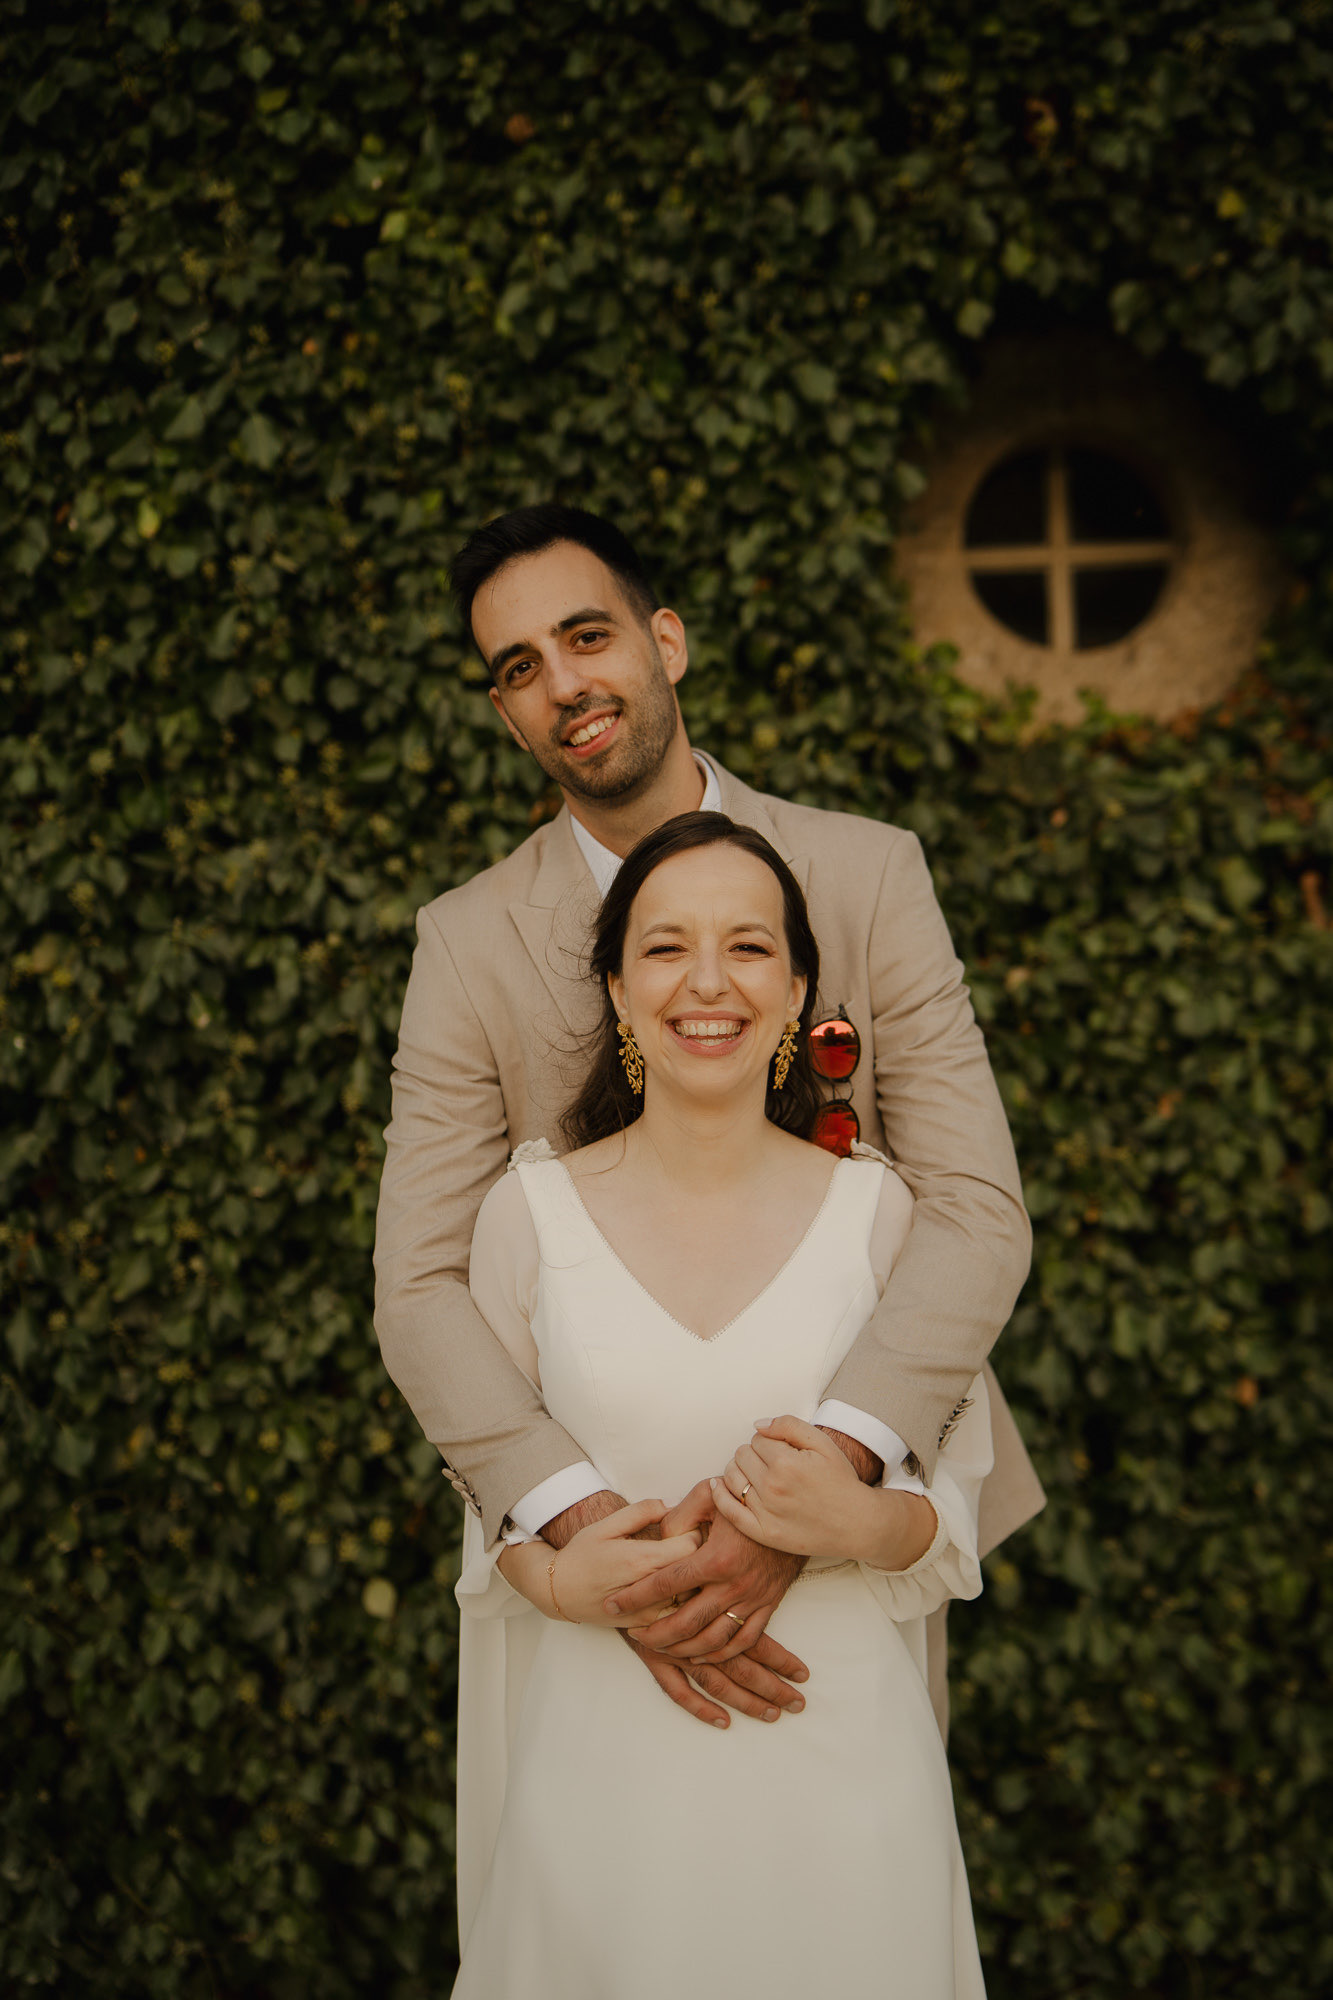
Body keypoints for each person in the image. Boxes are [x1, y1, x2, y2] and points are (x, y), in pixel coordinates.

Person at [374, 503, 1044, 1738]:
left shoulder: (867, 874)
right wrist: (587, 1531)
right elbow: (417, 1283)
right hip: (596, 1563)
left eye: (587, 635)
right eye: (519, 667)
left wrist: (817, 1485)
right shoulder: (465, 942)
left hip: (855, 1521)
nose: (563, 683)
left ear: (666, 641)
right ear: (505, 712)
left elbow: (975, 1208)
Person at [451, 813, 991, 1996]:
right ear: (616, 986)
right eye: (664, 947)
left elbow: (946, 1514)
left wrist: (858, 1519)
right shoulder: (523, 1217)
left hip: (845, 1782)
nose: (707, 981)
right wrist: (565, 1582)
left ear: (796, 991)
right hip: (599, 1774)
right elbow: (494, 1515)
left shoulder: (882, 1214)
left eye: (748, 946)